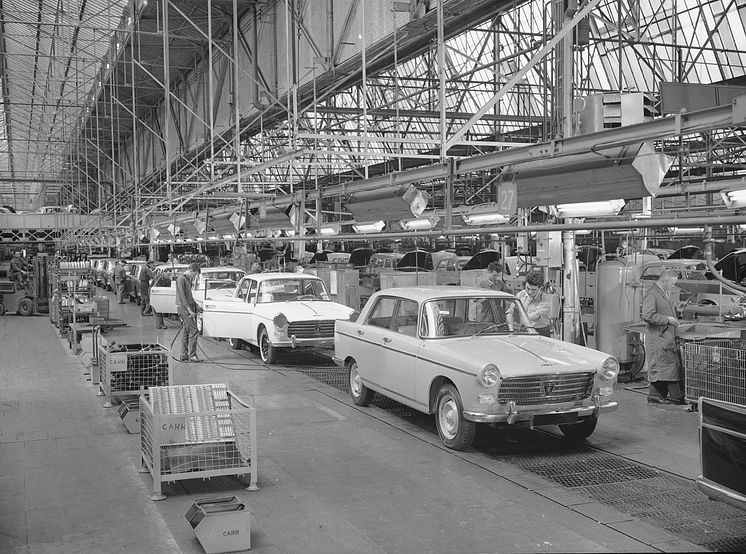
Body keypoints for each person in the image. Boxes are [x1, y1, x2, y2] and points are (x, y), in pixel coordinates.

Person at [642, 269, 684, 405]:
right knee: (667, 367)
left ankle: (654, 395)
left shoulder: (664, 292)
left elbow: (663, 310)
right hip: (658, 338)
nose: (673, 286)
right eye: (672, 283)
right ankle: (676, 396)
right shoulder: (652, 294)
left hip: (665, 336)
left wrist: (677, 311)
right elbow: (648, 315)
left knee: (663, 367)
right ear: (664, 280)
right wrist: (668, 319)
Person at [510, 269, 552, 337]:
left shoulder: (545, 301)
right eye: (528, 288)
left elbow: (527, 319)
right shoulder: (520, 295)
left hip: (540, 332)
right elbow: (510, 312)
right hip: (523, 331)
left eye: (533, 290)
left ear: (540, 288)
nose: (529, 292)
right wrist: (511, 328)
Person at [175, 263, 201, 363]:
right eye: (195, 274)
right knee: (194, 330)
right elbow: (182, 296)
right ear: (191, 271)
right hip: (183, 308)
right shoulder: (181, 279)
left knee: (186, 332)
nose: (194, 277)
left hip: (188, 307)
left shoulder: (187, 279)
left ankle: (183, 355)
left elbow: (189, 296)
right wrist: (189, 310)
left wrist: (196, 305)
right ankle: (192, 355)